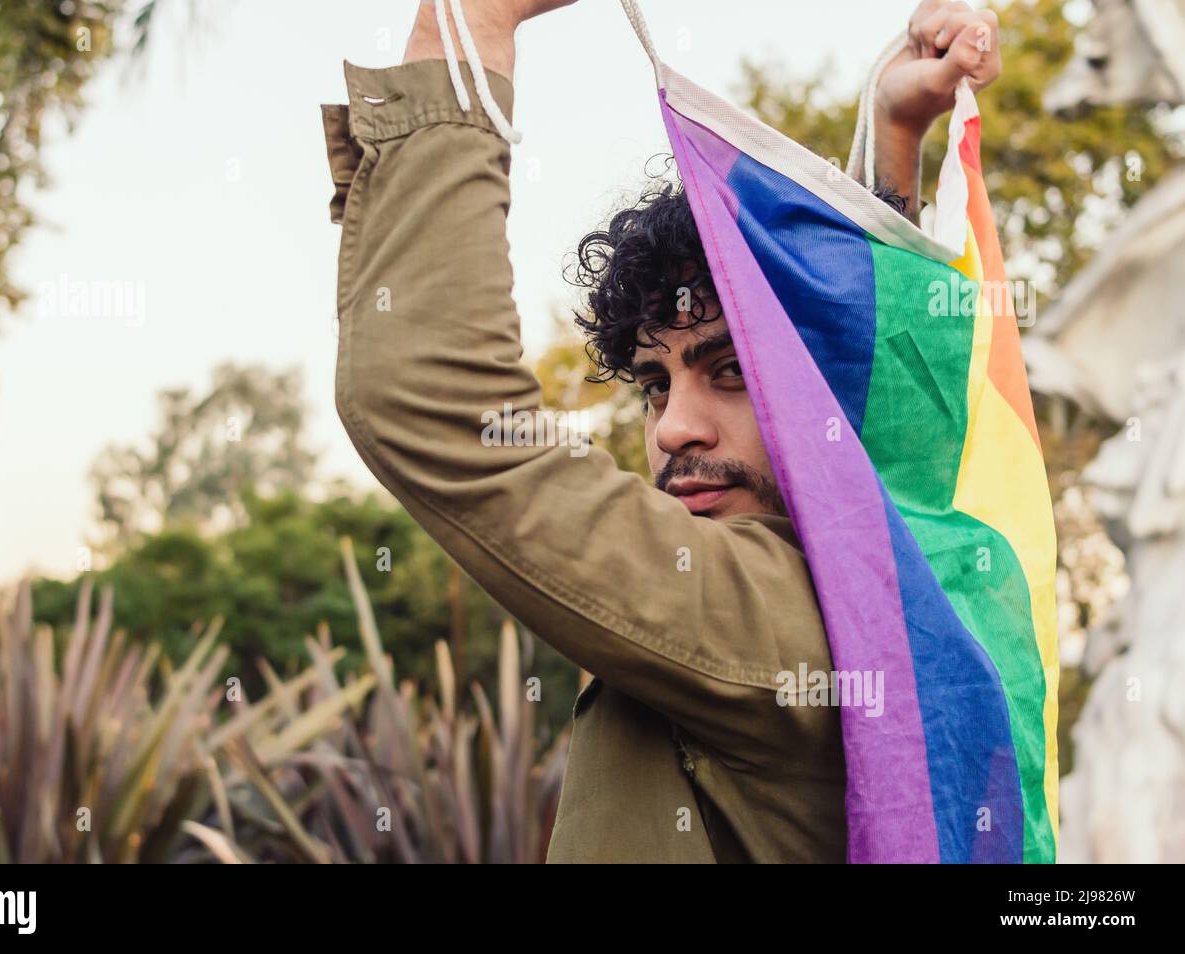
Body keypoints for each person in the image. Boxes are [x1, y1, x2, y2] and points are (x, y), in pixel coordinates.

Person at [323, 0, 1003, 862]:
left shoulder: (781, 620)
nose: (674, 428)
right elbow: (870, 415)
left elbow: (425, 396)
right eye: (653, 382)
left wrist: (473, 23)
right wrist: (890, 140)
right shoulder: (896, 613)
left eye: (732, 373)